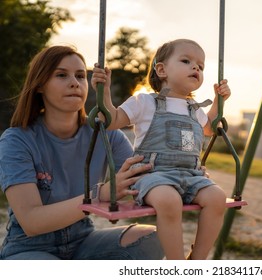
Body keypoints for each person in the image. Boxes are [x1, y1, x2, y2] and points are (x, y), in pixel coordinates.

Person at [0, 45, 164, 260]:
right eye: (61, 75)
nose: (74, 83)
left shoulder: (106, 134)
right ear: (39, 85)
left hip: (83, 239)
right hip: (30, 247)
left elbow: (142, 175)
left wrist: (183, 173)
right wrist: (100, 195)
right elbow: (31, 221)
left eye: (80, 76)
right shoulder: (17, 140)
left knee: (150, 238)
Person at [92, 38, 230, 260]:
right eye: (186, 61)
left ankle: (197, 260)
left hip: (191, 175)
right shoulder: (144, 102)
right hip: (153, 175)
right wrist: (104, 92)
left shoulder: (194, 109)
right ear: (162, 69)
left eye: (201, 66)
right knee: (169, 200)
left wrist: (219, 101)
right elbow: (112, 120)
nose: (196, 67)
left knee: (217, 198)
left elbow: (210, 128)